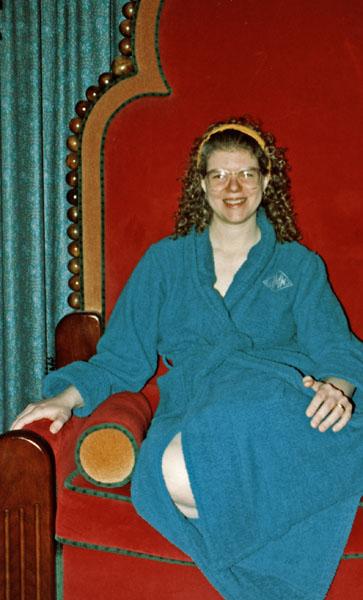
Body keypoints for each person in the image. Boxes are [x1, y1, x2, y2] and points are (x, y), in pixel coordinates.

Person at [12, 117, 363, 600]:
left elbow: (335, 349)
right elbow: (122, 359)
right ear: (201, 185)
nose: (233, 187)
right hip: (195, 400)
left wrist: (337, 388)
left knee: (201, 472)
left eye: (245, 173)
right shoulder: (164, 262)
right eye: (219, 175)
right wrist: (65, 399)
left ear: (266, 181)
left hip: (274, 395)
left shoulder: (299, 265)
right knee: (167, 479)